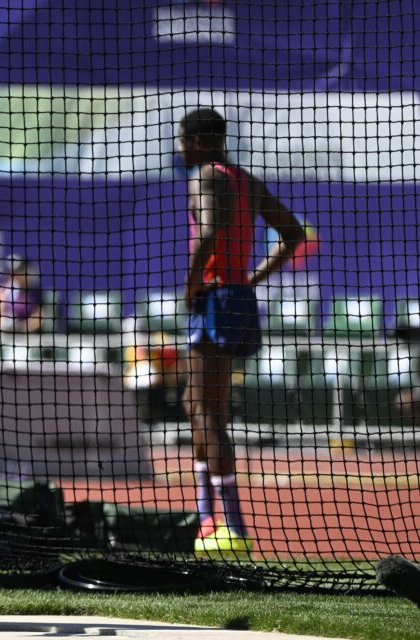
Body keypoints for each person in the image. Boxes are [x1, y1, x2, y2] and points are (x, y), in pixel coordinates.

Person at [175, 108, 305, 557]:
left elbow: (208, 233)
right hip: (236, 297)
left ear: (197, 142)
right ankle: (206, 517)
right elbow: (291, 234)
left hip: (214, 298)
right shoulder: (243, 178)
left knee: (207, 410)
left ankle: (229, 524)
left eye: (181, 140)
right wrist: (251, 281)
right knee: (197, 404)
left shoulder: (206, 176)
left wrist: (193, 283)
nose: (178, 148)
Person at [0, 254, 44, 333]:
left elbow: (39, 316)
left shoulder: (35, 291)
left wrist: (22, 328)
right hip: (4, 335)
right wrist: (5, 326)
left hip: (28, 336)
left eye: (19, 271)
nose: (15, 275)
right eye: (12, 272)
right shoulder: (2, 290)